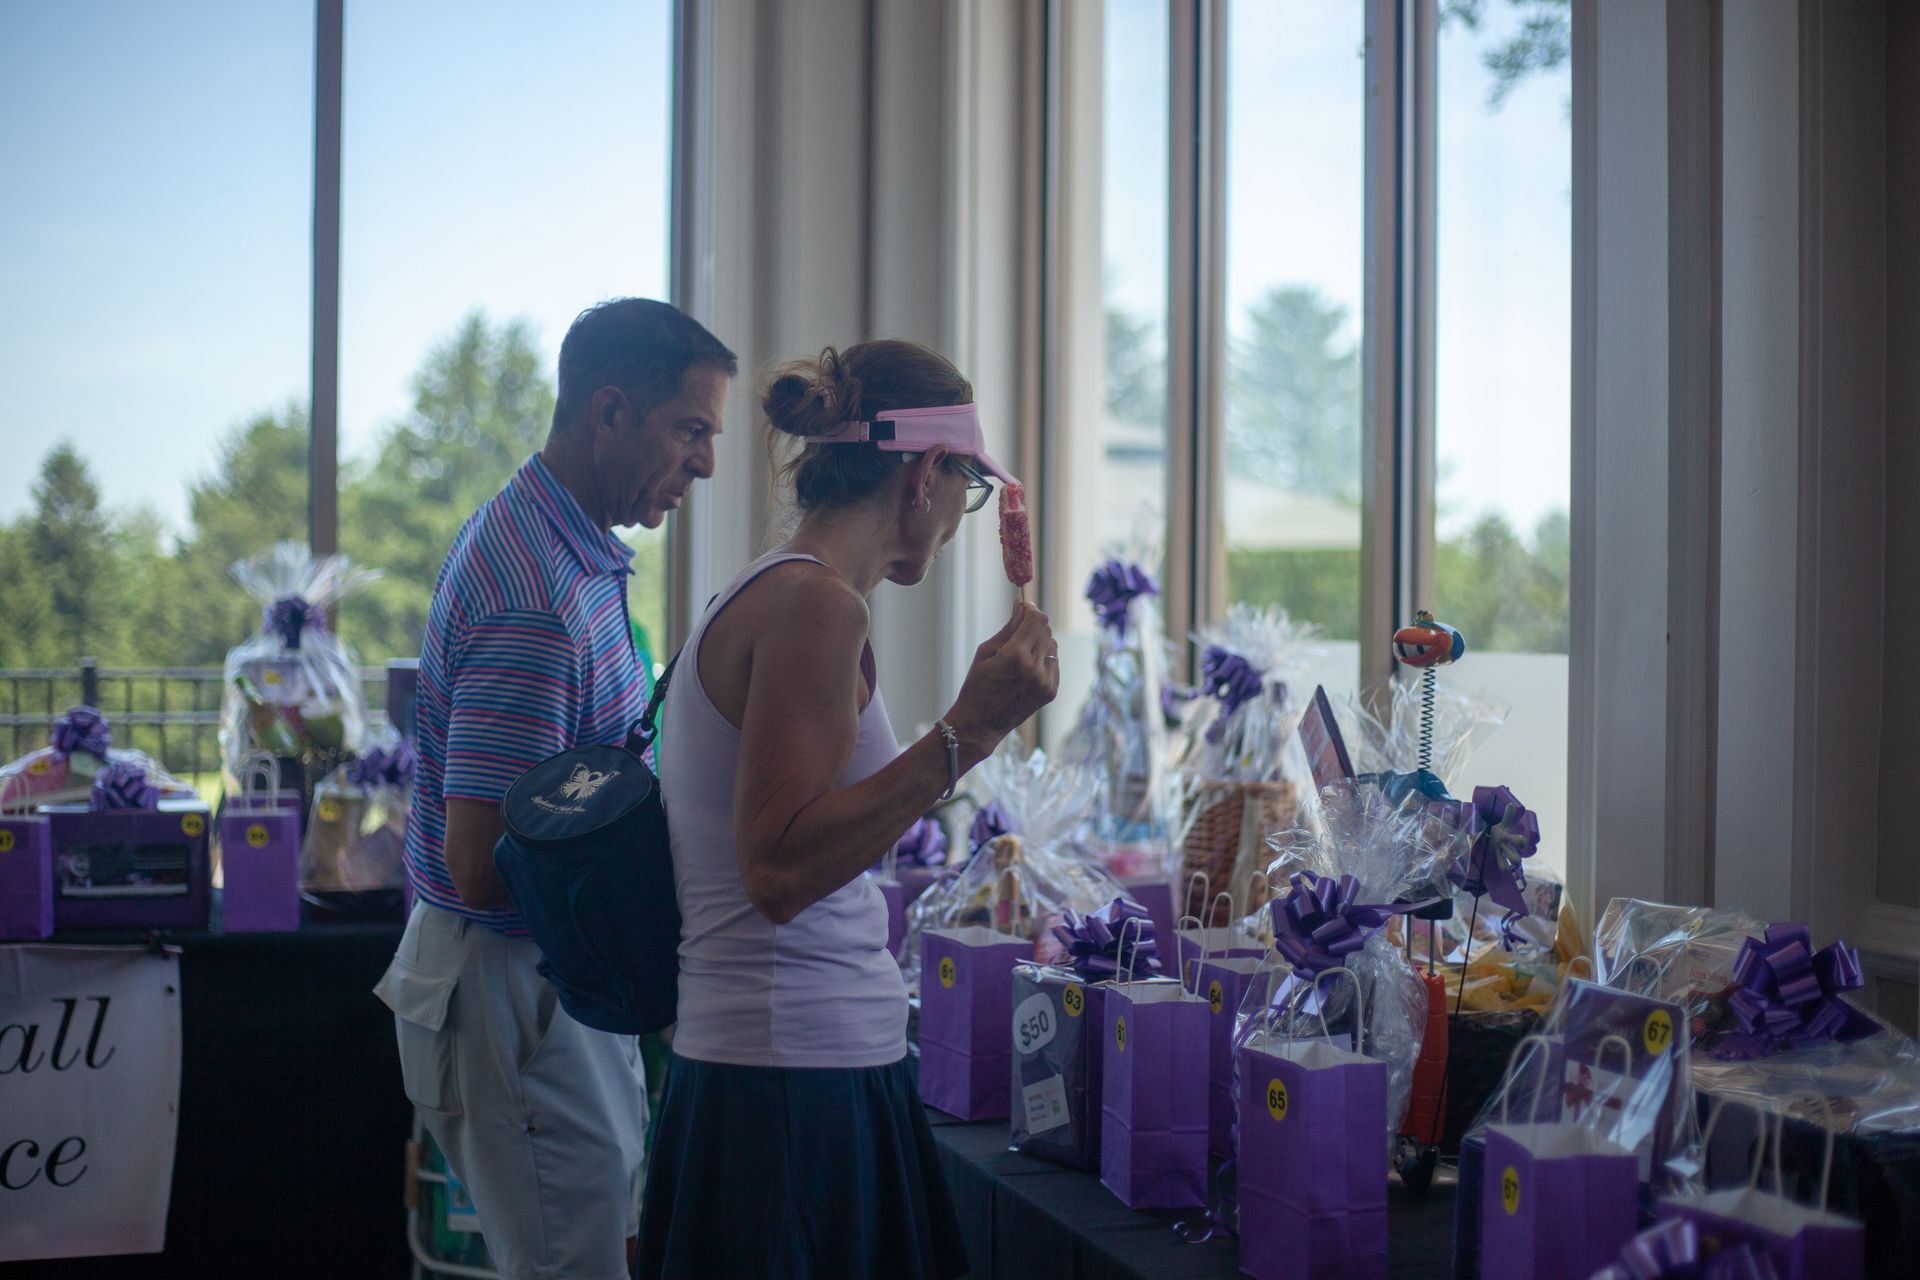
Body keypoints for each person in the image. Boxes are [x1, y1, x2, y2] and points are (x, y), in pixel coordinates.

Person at [637, 340, 1058, 1279]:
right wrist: (968, 733)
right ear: (925, 474)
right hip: (791, 1079)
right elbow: (779, 870)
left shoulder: (770, 590)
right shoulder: (814, 606)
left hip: (774, 1064)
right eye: (968, 488)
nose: (961, 518)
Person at [375, 298, 736, 1280]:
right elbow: (482, 865)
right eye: (691, 429)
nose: (706, 463)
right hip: (511, 985)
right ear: (610, 412)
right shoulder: (535, 592)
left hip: (549, 978)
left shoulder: (564, 545)